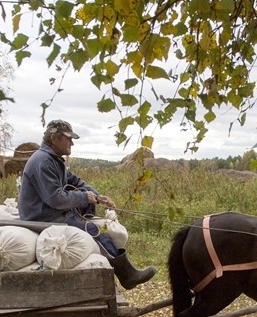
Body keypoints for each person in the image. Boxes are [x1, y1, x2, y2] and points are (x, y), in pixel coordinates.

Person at [18, 119, 156, 289]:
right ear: (54, 139)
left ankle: (115, 262)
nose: (72, 143)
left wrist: (98, 197)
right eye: (68, 139)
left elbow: (75, 181)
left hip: (52, 213)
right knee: (93, 230)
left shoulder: (53, 160)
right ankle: (126, 275)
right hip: (42, 216)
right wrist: (84, 197)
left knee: (87, 206)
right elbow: (56, 198)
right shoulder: (44, 162)